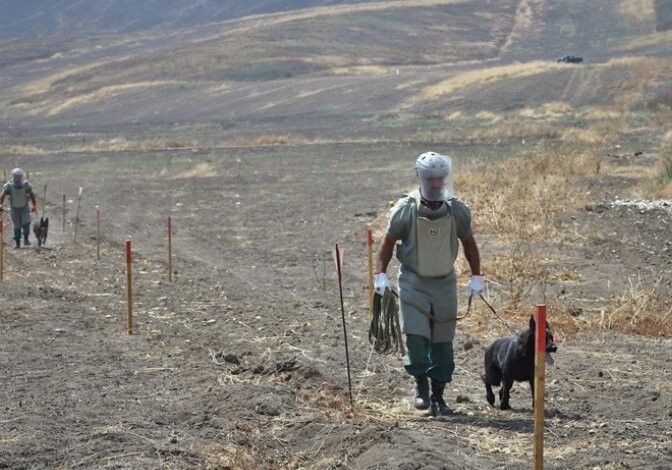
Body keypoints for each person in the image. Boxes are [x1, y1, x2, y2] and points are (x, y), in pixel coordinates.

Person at [374, 151, 484, 416]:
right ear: (421, 178)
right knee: (415, 336)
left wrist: (476, 276)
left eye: (440, 178)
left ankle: (439, 396)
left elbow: (469, 242)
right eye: (430, 179)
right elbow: (387, 242)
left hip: (444, 283)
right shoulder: (406, 209)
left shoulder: (456, 209)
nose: (436, 184)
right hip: (414, 281)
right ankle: (421, 386)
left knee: (443, 342)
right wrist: (380, 275)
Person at [0, 168, 38, 248]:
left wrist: (34, 205)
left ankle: (26, 239)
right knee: (17, 227)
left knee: (26, 223)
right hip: (14, 209)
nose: (17, 178)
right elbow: (3, 195)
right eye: (16, 176)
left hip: (24, 208)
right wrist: (0, 204)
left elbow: (31, 194)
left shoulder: (25, 184)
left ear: (21, 176)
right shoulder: (9, 185)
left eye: (19, 176)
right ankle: (17, 244)